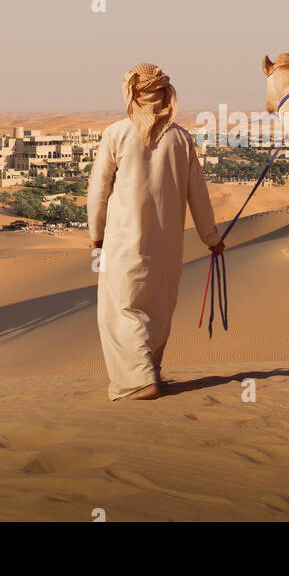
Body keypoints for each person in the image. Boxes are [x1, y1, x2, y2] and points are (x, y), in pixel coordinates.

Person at [87, 63, 224, 400]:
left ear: (133, 93)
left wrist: (96, 234)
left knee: (124, 309)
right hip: (168, 246)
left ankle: (140, 381)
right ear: (164, 94)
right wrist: (212, 239)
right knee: (158, 309)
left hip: (123, 242)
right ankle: (152, 372)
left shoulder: (116, 134)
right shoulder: (179, 138)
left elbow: (98, 190)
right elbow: (199, 196)